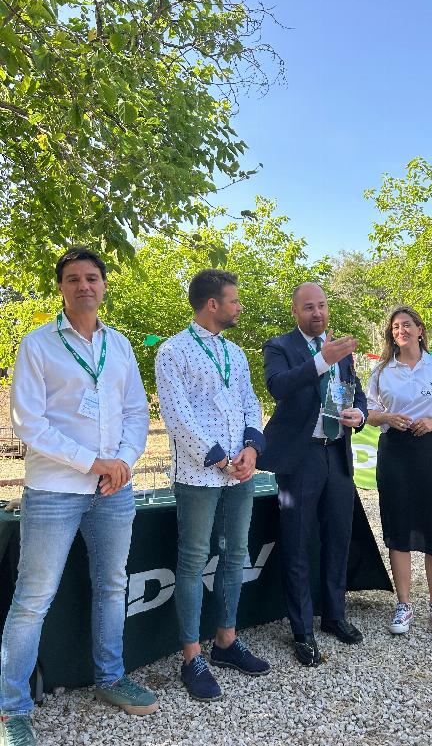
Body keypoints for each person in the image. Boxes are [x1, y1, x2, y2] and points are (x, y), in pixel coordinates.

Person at [0, 247, 155, 746]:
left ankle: (110, 678)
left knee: (112, 585)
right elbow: (28, 422)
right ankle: (11, 709)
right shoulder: (37, 345)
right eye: (73, 278)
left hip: (113, 489)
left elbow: (136, 412)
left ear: (104, 285)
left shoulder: (120, 345)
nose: (84, 285)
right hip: (55, 490)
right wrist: (93, 463)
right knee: (33, 599)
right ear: (61, 288)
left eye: (92, 277)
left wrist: (123, 462)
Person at [155, 269, 269, 702]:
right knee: (192, 559)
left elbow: (249, 402)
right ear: (213, 304)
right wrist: (220, 458)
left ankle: (226, 641)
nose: (240, 307)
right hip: (199, 474)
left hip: (240, 471)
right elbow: (177, 416)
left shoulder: (235, 353)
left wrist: (251, 450)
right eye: (234, 300)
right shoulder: (172, 351)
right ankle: (192, 657)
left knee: (236, 553)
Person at [258, 282, 368, 667]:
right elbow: (278, 386)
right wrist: (321, 360)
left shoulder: (340, 348)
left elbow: (355, 392)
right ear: (295, 311)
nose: (317, 313)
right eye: (308, 307)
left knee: (339, 537)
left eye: (321, 305)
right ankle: (302, 629)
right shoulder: (279, 347)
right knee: (298, 541)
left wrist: (360, 413)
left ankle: (334, 615)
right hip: (300, 457)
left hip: (336, 453)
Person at [366, 306, 432, 637]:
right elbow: (369, 412)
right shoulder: (382, 370)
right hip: (395, 451)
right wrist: (387, 417)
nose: (401, 331)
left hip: (431, 451)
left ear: (420, 330)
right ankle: (404, 604)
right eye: (395, 327)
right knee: (398, 526)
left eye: (406, 325)